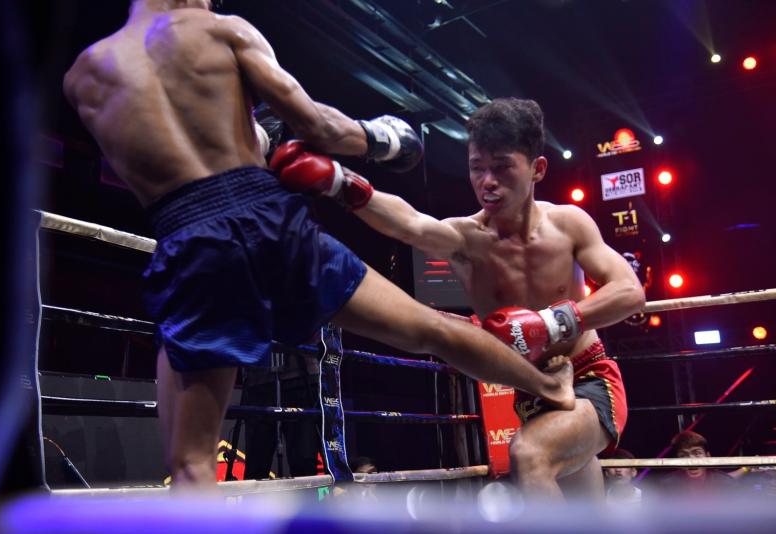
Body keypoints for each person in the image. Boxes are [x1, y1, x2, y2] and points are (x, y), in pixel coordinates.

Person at [63, 1, 574, 488]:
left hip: (189, 240)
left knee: (191, 462)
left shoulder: (84, 77)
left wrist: (250, 146)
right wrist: (381, 140)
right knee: (430, 329)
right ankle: (550, 385)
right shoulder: (222, 30)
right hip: (266, 221)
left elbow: (152, 161)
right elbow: (317, 125)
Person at [272, 97, 645, 500]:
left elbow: (629, 291)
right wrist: (340, 182)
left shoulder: (569, 224)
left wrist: (550, 323)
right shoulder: (467, 240)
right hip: (532, 391)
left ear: (537, 168)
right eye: (477, 167)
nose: (487, 181)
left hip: (589, 377)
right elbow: (411, 225)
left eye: (502, 167)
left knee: (530, 455)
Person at [659, 431, 737, 497]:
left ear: (708, 456)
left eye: (697, 453)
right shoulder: (666, 485)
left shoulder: (725, 483)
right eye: (683, 455)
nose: (691, 461)